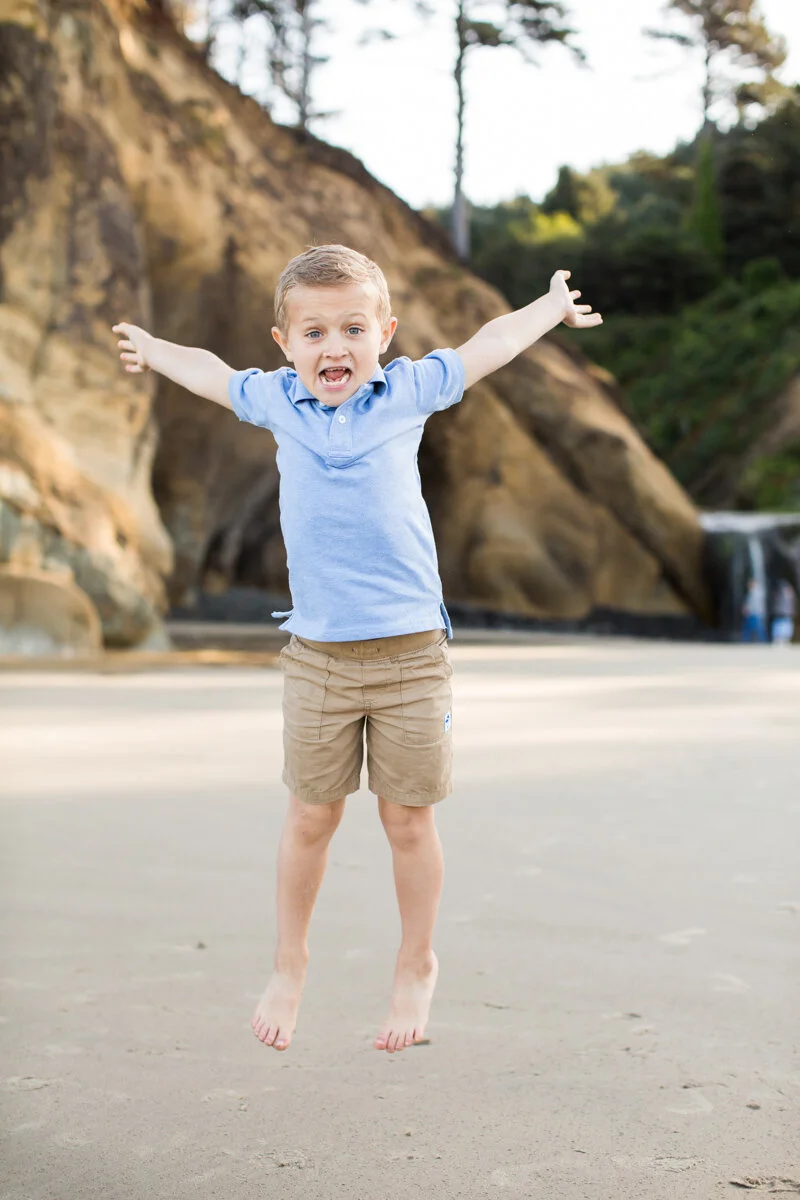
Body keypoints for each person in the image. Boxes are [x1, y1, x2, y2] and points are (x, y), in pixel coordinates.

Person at [113, 245, 602, 1054]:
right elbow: (206, 371)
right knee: (311, 815)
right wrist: (156, 349)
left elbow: (488, 346)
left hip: (412, 653)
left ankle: (417, 962)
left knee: (407, 820)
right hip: (318, 656)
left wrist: (549, 306)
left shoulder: (407, 389)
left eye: (351, 328)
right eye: (313, 332)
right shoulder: (275, 401)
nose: (333, 346)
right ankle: (289, 961)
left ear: (385, 332)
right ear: (284, 342)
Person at [741, 577, 768, 643]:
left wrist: (747, 610)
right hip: (754, 613)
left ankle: (762, 641)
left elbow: (752, 604)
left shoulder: (755, 592)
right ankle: (746, 640)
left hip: (754, 613)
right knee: (751, 628)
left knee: (758, 629)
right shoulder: (755, 592)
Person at [771, 580, 796, 645]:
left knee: (787, 627)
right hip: (780, 614)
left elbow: (791, 606)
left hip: (787, 614)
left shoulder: (791, 596)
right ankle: (778, 639)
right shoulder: (780, 595)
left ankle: (785, 639)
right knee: (779, 626)